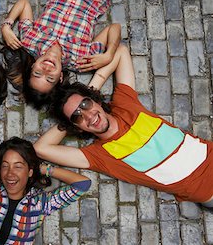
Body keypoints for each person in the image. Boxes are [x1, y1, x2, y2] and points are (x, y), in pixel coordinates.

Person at [34, 44, 213, 207]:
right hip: (207, 190)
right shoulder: (99, 156)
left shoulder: (124, 104)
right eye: (77, 117)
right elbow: (41, 148)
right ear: (78, 128)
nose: (88, 115)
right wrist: (70, 120)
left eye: (86, 105)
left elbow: (120, 51)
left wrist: (90, 91)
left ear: (95, 101)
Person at [1, 0, 135, 109]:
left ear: (32, 67)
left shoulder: (29, 41)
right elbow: (114, 28)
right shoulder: (80, 61)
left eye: (38, 73)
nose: (46, 70)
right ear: (60, 77)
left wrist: (7, 25)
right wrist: (109, 54)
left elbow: (23, 3)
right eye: (50, 78)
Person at [0, 137, 91, 244]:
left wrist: (44, 169)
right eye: (5, 166)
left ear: (30, 172)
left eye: (18, 166)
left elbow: (82, 184)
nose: (10, 174)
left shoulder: (40, 204)